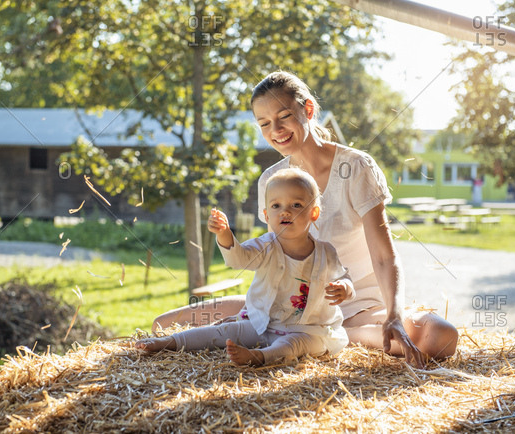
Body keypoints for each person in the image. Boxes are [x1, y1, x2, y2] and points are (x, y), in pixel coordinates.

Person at [153, 71, 458, 368]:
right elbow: (274, 254)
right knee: (163, 324)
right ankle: (317, 334)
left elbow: (383, 254)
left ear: (308, 109)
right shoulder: (271, 180)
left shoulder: (356, 167)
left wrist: (393, 314)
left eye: (283, 116)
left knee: (439, 337)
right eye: (264, 123)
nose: (276, 129)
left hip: (360, 305)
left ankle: (339, 335)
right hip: (291, 307)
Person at [136, 168, 354, 366]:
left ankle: (260, 357)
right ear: (267, 215)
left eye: (296, 205)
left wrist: (345, 288)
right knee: (221, 331)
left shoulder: (326, 252)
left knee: (293, 345)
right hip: (263, 325)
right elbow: (238, 259)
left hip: (309, 331)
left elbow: (345, 276)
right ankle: (171, 341)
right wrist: (225, 234)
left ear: (313, 213)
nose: (285, 212)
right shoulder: (266, 246)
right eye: (276, 206)